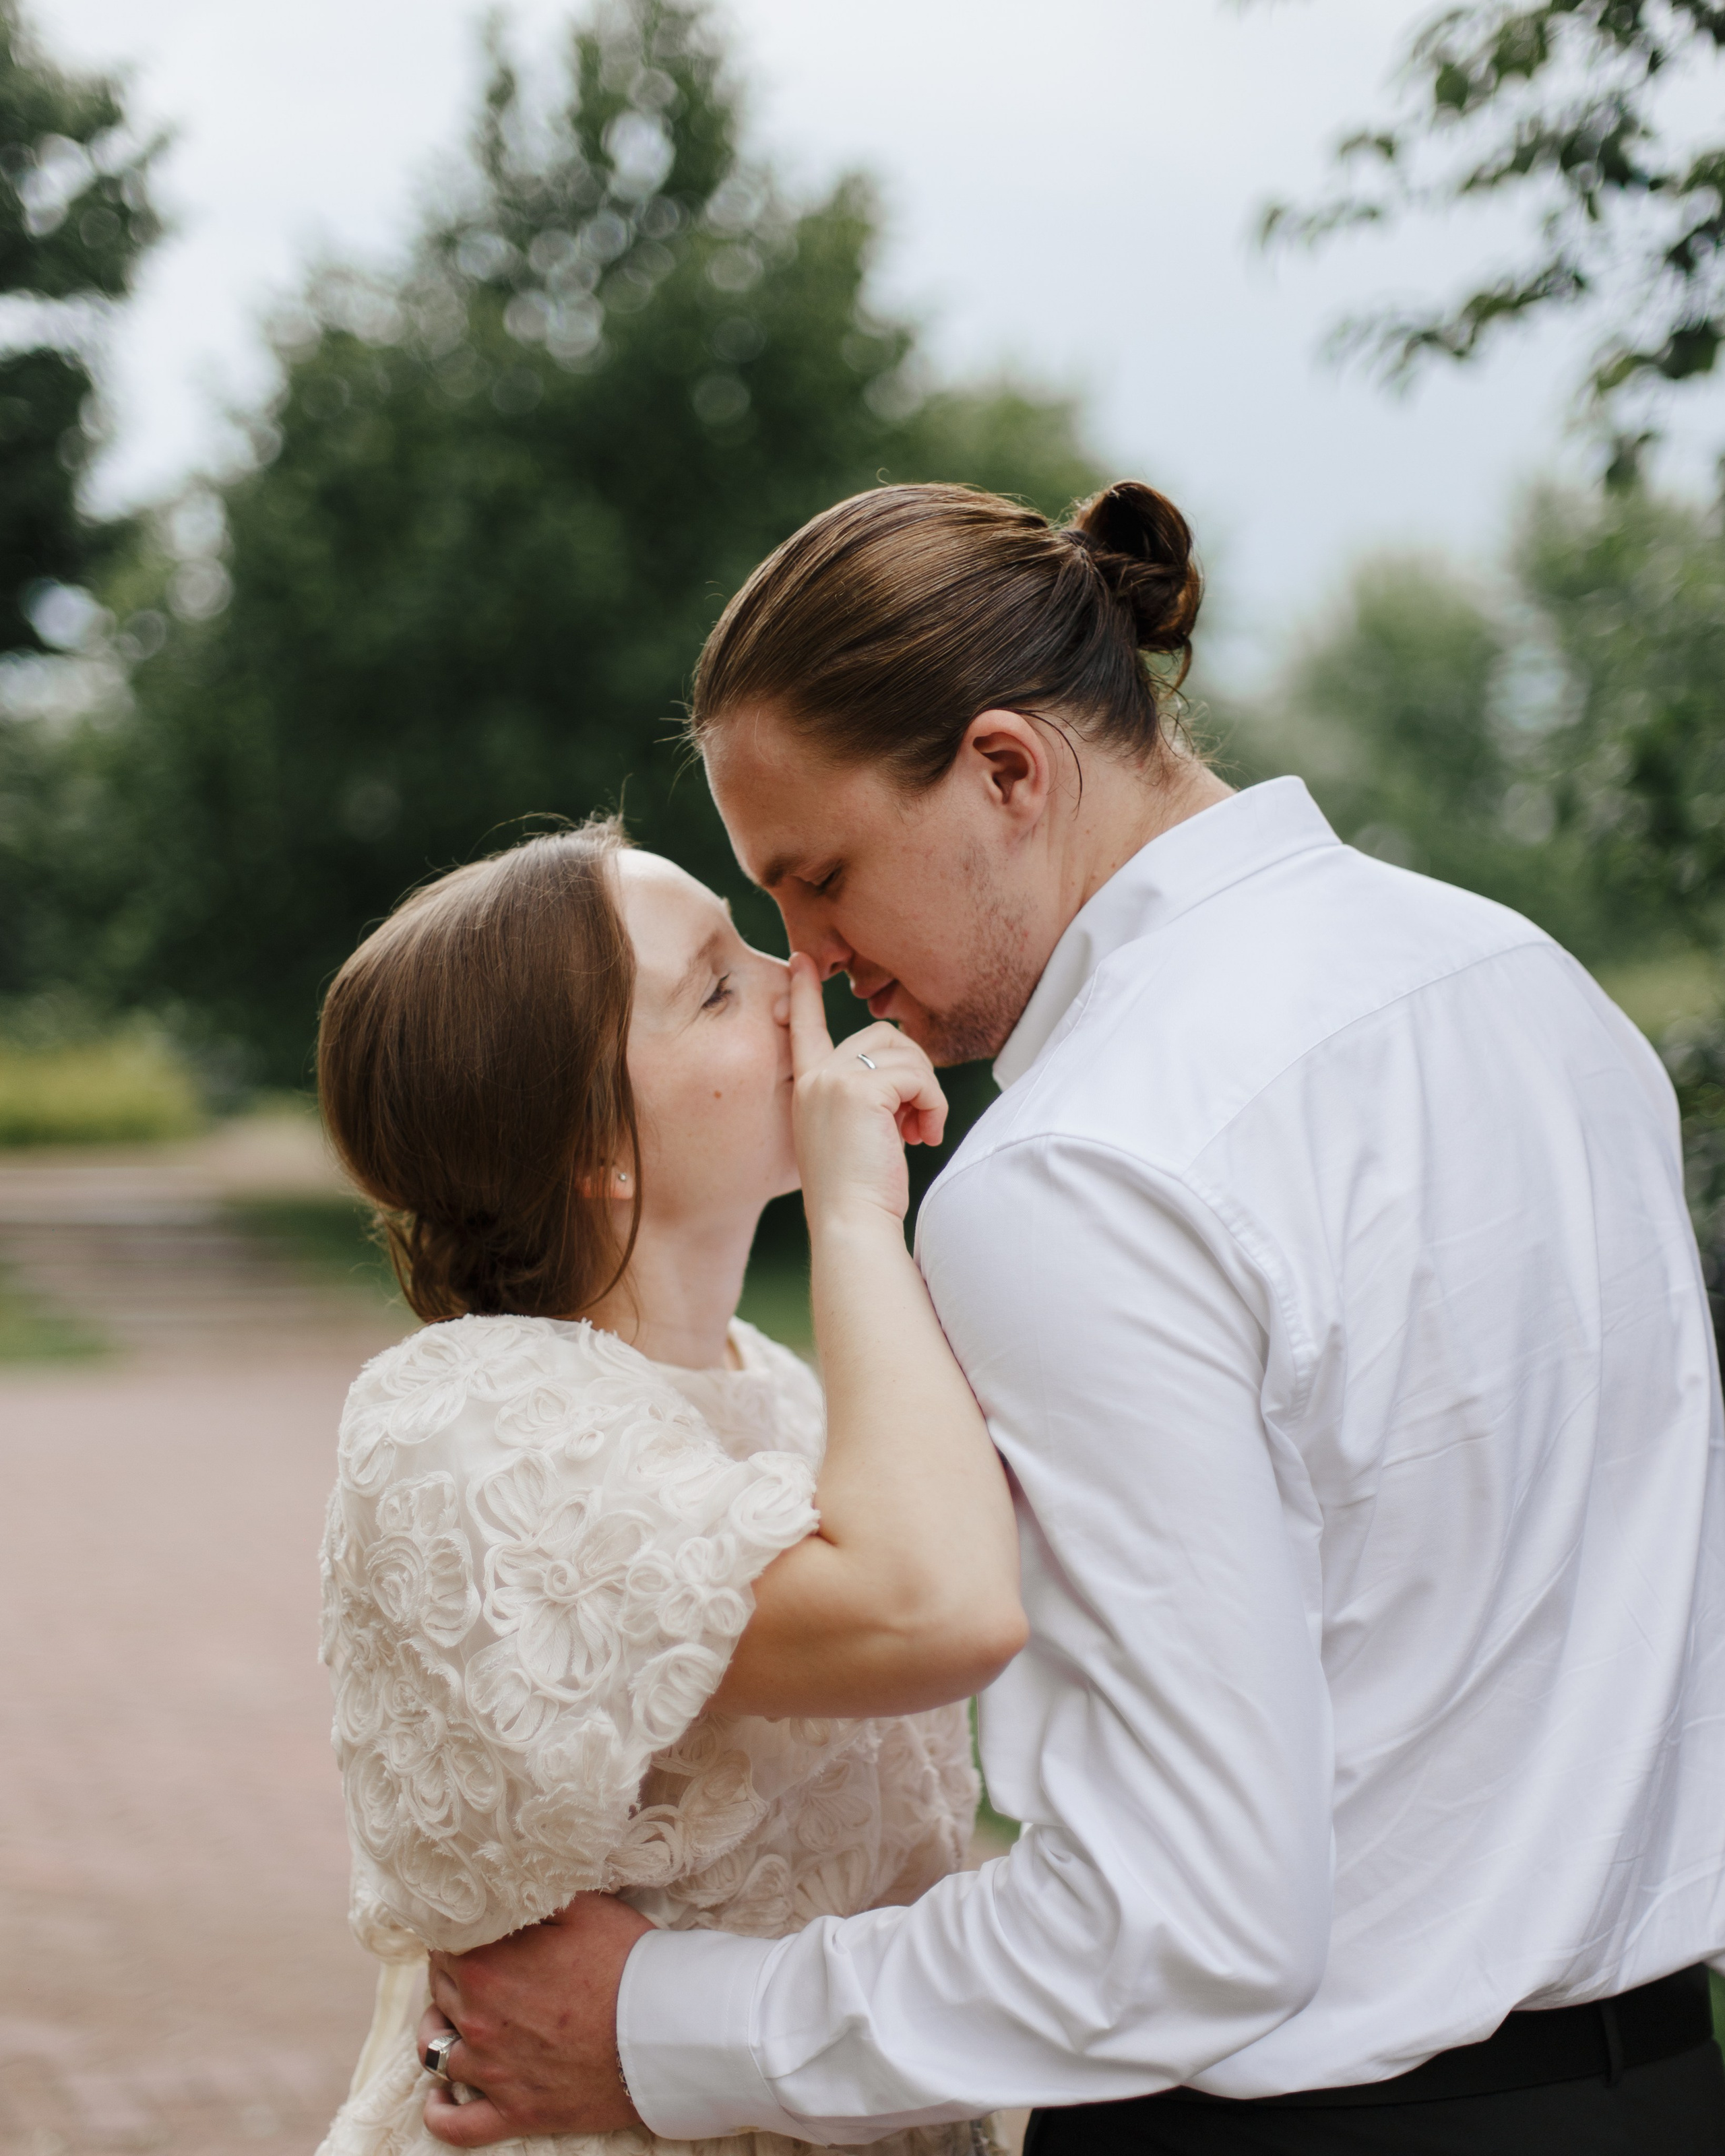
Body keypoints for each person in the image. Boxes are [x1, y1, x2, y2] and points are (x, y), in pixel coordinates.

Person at [417, 481, 1725, 2155]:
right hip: (1661, 2084)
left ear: (1006, 772)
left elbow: (1179, 1927)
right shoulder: (1532, 990)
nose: (812, 963)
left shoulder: (1078, 1164)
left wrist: (659, 2026)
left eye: (822, 878)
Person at [311, 819, 1027, 2156]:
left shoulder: (782, 1389)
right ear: (595, 1149)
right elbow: (933, 1612)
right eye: (713, 986)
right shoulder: (472, 1420)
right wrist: (855, 1214)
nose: (797, 970)